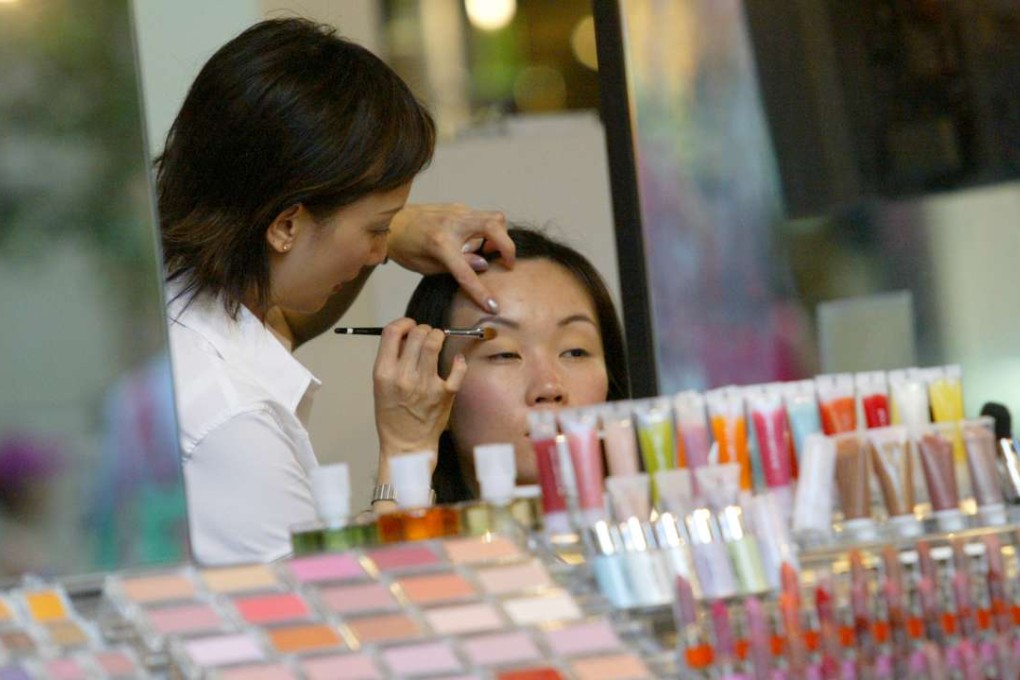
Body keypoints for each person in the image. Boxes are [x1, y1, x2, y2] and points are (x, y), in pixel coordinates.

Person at [157, 18, 513, 564]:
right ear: (285, 225)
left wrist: (394, 229)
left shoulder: (181, 304)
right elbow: (335, 627)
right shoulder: (232, 425)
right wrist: (406, 457)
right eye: (376, 228)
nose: (379, 254)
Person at [404, 227, 630, 503]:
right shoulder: (418, 542)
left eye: (575, 351)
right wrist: (401, 452)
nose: (548, 386)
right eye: (504, 354)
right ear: (432, 386)